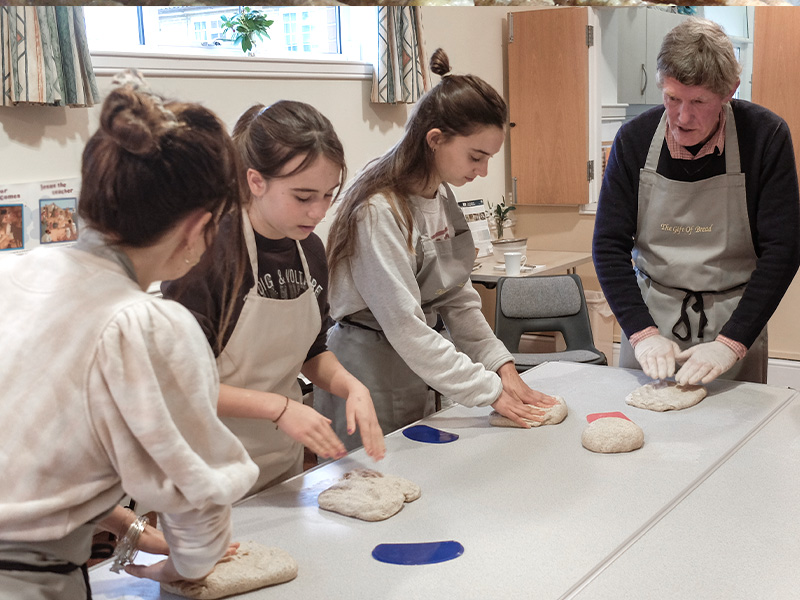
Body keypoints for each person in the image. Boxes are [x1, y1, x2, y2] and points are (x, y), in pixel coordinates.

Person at [0, 72, 259, 598]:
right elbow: (198, 498)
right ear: (198, 228)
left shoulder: (18, 274)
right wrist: (187, 563)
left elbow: (39, 464)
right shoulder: (144, 324)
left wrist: (131, 526)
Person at [316, 48, 557, 449]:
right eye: (476, 156)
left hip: (417, 365)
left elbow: (456, 296)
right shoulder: (378, 210)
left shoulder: (439, 196)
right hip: (369, 368)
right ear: (435, 139)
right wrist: (490, 392)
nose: (481, 171)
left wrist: (502, 366)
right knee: (371, 483)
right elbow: (405, 326)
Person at [162, 100, 385, 494]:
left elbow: (312, 352)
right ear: (256, 181)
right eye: (302, 197)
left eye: (328, 195)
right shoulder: (207, 254)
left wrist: (352, 386)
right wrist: (279, 408)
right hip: (204, 469)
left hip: (280, 461)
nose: (318, 211)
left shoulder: (310, 250)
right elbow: (180, 384)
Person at [593, 17, 800, 386]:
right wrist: (642, 334)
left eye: (699, 102)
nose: (682, 117)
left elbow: (784, 250)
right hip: (650, 321)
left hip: (734, 320)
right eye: (672, 98)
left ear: (729, 92)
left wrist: (731, 344)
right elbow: (608, 246)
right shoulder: (634, 140)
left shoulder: (765, 137)